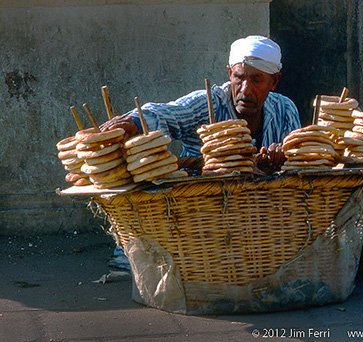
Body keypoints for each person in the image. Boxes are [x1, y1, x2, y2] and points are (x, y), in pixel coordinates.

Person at [102, 35, 301, 270]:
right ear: (229, 74)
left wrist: (281, 161)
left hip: (256, 218)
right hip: (200, 213)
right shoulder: (208, 102)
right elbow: (168, 113)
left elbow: (299, 165)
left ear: (274, 81)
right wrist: (134, 121)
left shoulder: (284, 109)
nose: (245, 89)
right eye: (239, 78)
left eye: (257, 80)